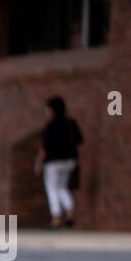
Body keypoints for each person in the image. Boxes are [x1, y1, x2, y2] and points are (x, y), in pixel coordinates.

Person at [35, 96, 82, 228]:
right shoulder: (70, 123)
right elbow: (79, 140)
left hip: (53, 162)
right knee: (62, 187)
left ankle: (56, 219)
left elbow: (45, 146)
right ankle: (70, 213)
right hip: (69, 161)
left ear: (52, 109)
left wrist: (39, 162)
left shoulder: (50, 125)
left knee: (52, 189)